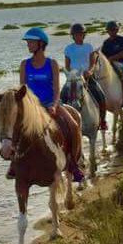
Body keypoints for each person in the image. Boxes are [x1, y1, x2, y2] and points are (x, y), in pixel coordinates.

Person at [15, 28, 83, 182]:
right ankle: (15, 164)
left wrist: (54, 104)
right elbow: (22, 90)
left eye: (31, 42)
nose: (28, 45)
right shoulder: (24, 65)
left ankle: (74, 164)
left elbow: (57, 88)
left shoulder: (51, 63)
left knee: (73, 125)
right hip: (33, 109)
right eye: (28, 42)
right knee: (13, 129)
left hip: (52, 104)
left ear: (41, 44)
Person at [62, 23, 108, 130]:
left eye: (81, 34)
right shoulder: (68, 49)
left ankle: (102, 121)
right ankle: (64, 123)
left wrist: (90, 71)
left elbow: (92, 63)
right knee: (62, 96)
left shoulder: (89, 47)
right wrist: (71, 75)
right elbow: (67, 66)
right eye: (76, 34)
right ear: (73, 36)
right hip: (73, 78)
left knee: (101, 96)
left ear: (84, 35)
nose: (78, 36)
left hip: (87, 77)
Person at [100, 21, 123, 107]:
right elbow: (103, 56)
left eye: (114, 30)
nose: (112, 32)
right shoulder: (106, 43)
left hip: (121, 63)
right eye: (110, 30)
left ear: (117, 30)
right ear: (107, 31)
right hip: (109, 64)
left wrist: (111, 58)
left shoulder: (122, 40)